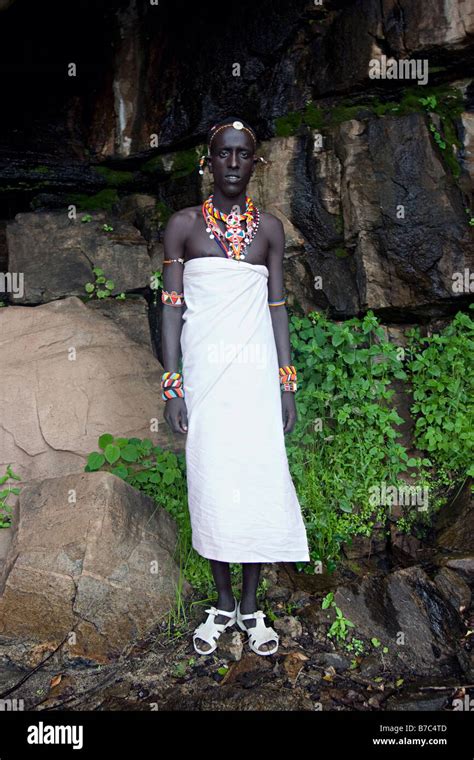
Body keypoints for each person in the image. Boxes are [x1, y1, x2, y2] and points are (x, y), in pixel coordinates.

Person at [160, 117, 310, 657]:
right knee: (214, 480)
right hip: (206, 379)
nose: (232, 163)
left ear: (254, 163)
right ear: (208, 160)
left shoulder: (270, 229)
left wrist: (285, 385)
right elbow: (172, 311)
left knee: (258, 477)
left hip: (252, 377)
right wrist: (173, 382)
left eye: (242, 155)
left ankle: (250, 605)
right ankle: (222, 603)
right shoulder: (182, 227)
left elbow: (277, 308)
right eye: (223, 154)